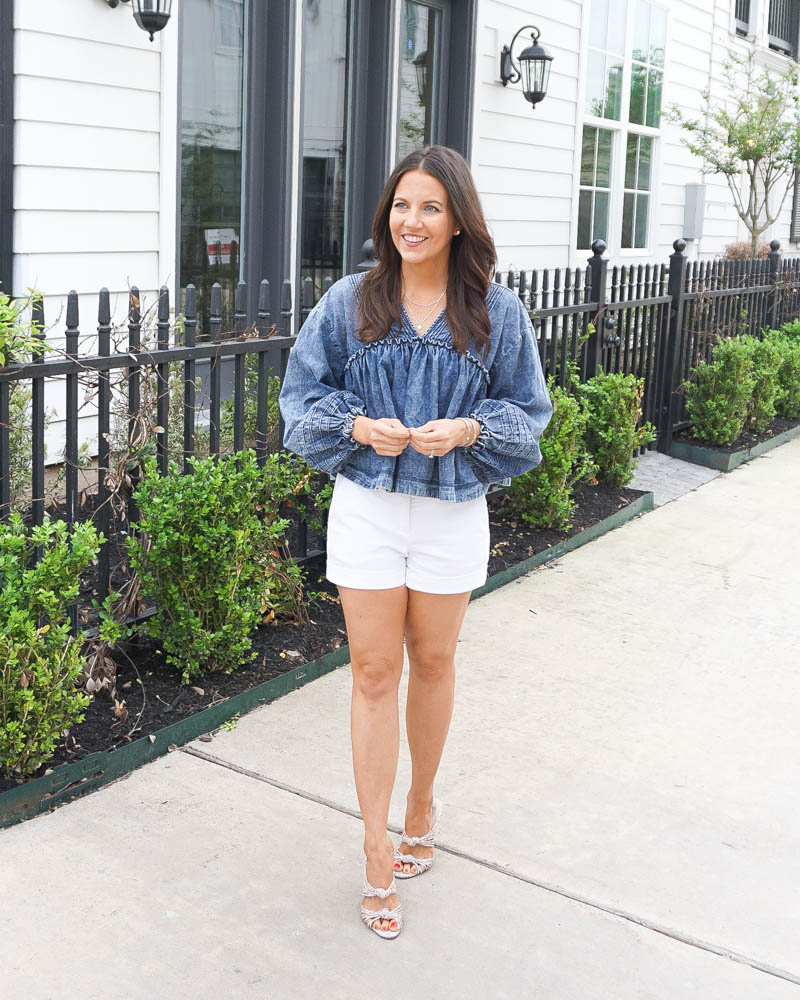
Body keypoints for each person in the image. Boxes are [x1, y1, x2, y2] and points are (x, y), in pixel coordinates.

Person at [278, 145, 552, 940]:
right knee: (372, 671)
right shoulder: (348, 302)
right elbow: (301, 398)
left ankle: (421, 802)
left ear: (459, 218)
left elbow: (529, 417)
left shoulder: (498, 314)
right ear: (385, 215)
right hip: (365, 507)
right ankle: (373, 846)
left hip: (451, 513)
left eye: (431, 206)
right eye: (402, 205)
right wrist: (357, 425)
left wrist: (471, 428)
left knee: (432, 663)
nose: (413, 221)